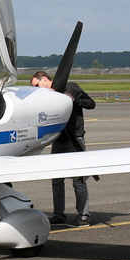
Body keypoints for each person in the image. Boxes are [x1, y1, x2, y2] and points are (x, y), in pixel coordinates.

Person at [31, 70, 95, 225]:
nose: (38, 89)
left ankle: (84, 215)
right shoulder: (46, 97)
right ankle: (59, 214)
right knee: (57, 181)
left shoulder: (70, 87)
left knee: (78, 180)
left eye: (37, 85)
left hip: (75, 140)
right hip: (58, 141)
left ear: (45, 78)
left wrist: (74, 100)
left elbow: (91, 104)